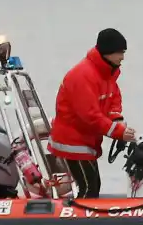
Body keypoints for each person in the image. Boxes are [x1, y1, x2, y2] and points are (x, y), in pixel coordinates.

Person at [48, 28, 137, 198]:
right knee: (89, 187)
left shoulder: (107, 73)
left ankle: (84, 219)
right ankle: (78, 221)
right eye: (120, 52)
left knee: (94, 185)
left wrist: (117, 121)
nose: (122, 57)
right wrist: (118, 132)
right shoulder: (83, 76)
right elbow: (89, 115)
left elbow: (113, 100)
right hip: (73, 142)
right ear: (107, 52)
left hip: (87, 141)